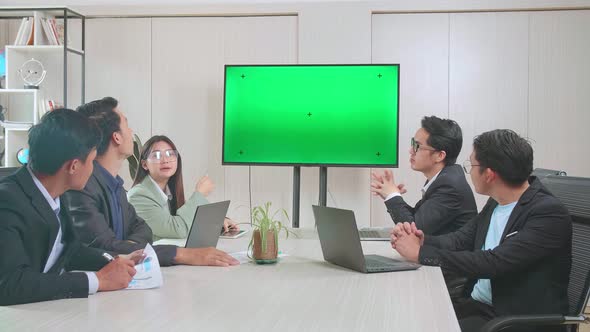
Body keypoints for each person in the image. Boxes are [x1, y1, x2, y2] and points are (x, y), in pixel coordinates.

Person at [392, 129, 572, 332]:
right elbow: (461, 240)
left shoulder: (548, 214)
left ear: (489, 174)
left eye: (472, 165)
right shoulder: (496, 202)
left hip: (511, 319)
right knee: (408, 314)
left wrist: (420, 254)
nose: (469, 172)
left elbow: (492, 262)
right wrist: (423, 241)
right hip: (477, 307)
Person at [64, 97, 238, 267]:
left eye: (170, 154)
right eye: (127, 124)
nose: (132, 132)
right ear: (117, 137)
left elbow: (143, 230)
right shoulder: (82, 187)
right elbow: (105, 247)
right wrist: (181, 254)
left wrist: (127, 246)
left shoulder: (115, 185)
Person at [0, 109, 140, 305]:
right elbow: (9, 284)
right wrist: (97, 281)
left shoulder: (57, 191)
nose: (93, 170)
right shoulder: (7, 201)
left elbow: (69, 251)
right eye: (91, 161)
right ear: (73, 166)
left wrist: (112, 261)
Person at [371, 116, 477, 235]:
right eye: (412, 143)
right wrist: (391, 195)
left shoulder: (449, 186)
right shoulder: (444, 178)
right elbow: (418, 218)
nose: (411, 150)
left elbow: (414, 230)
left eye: (417, 146)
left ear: (439, 156)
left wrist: (392, 195)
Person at [127, 135, 237, 241]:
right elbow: (177, 229)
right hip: (152, 258)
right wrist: (199, 194)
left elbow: (188, 220)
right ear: (144, 164)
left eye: (170, 154)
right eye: (156, 156)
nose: (165, 160)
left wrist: (218, 221)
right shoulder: (138, 195)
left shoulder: (169, 192)